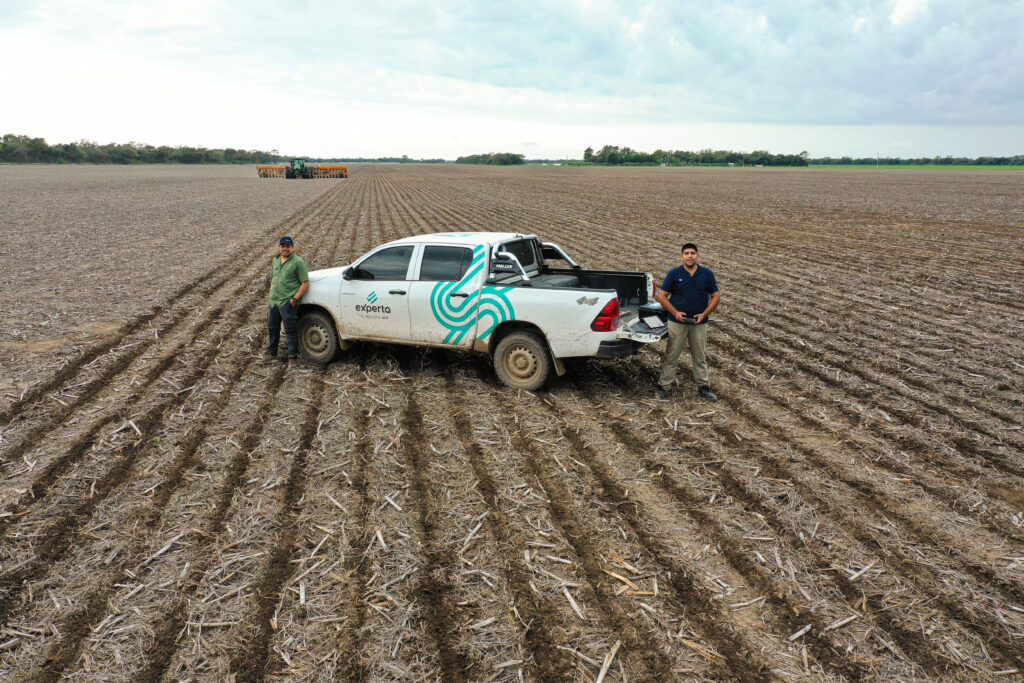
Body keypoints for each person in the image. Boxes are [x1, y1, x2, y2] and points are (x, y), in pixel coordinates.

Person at [654, 243, 720, 401]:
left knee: (699, 356)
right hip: (677, 323)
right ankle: (665, 387)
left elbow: (716, 296)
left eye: (692, 253)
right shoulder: (674, 274)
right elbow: (662, 296)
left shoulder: (707, 274)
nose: (689, 256)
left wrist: (704, 314)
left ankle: (704, 388)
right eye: (686, 253)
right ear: (682, 256)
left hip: (699, 323)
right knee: (672, 356)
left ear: (698, 255)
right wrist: (675, 313)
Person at [262, 236, 309, 368]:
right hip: (274, 302)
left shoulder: (298, 262)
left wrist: (294, 300)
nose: (285, 249)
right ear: (279, 247)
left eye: (287, 246)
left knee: (290, 330)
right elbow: (273, 279)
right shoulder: (275, 260)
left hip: (287, 302)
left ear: (293, 247)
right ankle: (271, 354)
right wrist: (271, 294)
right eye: (283, 246)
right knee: (272, 328)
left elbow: (305, 283)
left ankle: (293, 357)